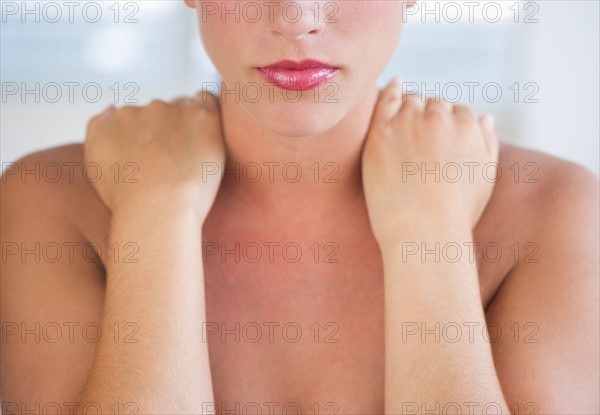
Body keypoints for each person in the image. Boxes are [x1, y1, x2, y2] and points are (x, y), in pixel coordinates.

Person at [1, 1, 598, 414]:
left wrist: (429, 234)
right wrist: (158, 217)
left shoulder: (554, 211)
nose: (297, 20)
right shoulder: (50, 200)